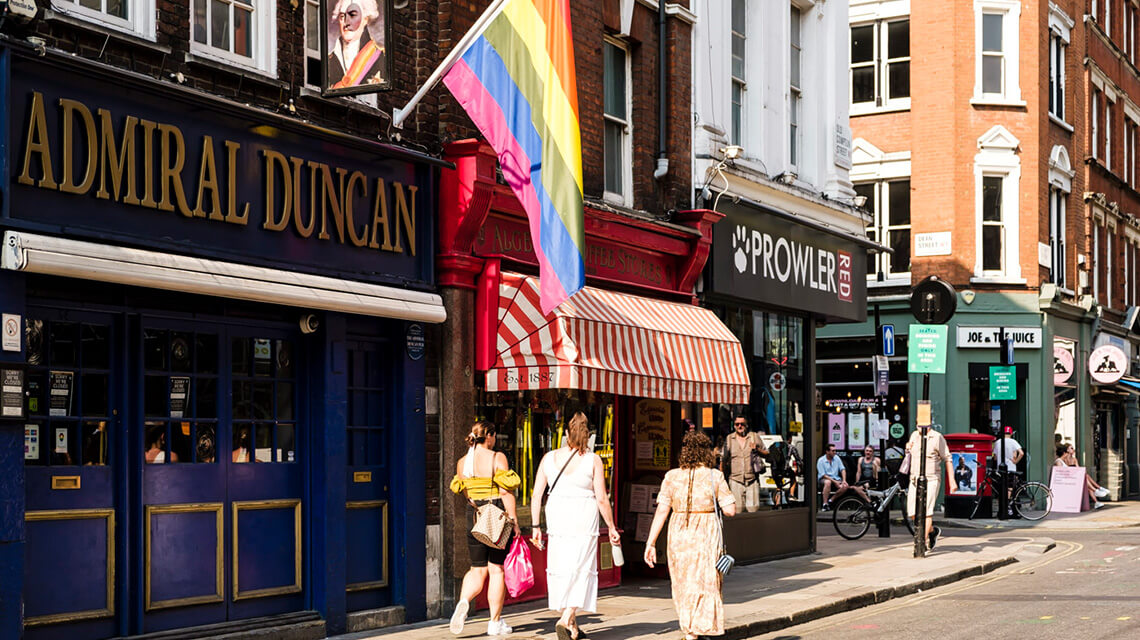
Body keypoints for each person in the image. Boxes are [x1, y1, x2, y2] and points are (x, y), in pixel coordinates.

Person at [529, 413, 620, 640]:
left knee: (563, 565)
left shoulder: (549, 458)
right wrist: (611, 526)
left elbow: (536, 494)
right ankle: (566, 617)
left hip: (557, 515)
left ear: (567, 434)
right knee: (582, 566)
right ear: (588, 436)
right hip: (582, 515)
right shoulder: (592, 460)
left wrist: (535, 525)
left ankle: (573, 627)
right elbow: (601, 498)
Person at [643, 431, 736, 640]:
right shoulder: (715, 475)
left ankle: (689, 629)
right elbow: (730, 510)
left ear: (684, 452)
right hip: (706, 534)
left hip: (679, 533)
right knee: (705, 582)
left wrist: (650, 542)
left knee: (683, 582)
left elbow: (661, 511)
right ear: (706, 452)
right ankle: (699, 628)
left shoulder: (671, 476)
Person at [449, 422, 521, 637]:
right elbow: (506, 492)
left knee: (476, 568)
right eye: (494, 435)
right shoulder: (496, 457)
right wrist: (514, 520)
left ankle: (463, 602)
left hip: (474, 515)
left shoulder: (463, 462)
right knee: (496, 569)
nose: (495, 440)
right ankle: (494, 623)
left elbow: (464, 493)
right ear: (488, 436)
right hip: (495, 514)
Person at [905, 425, 952, 550]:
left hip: (932, 478)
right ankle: (932, 532)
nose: (919, 426)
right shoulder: (914, 435)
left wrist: (952, 481)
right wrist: (908, 447)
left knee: (927, 512)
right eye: (918, 424)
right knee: (913, 513)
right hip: (914, 478)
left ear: (929, 423)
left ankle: (921, 544)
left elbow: (947, 458)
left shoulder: (937, 437)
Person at [327, 0, 386, 90]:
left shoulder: (380, 57)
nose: (346, 23)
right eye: (342, 16)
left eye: (352, 15)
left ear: (365, 19)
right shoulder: (329, 59)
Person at [721, 414, 768, 512]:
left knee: (753, 511)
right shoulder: (729, 439)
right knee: (737, 512)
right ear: (734, 426)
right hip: (735, 480)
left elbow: (767, 453)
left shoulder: (754, 436)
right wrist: (721, 479)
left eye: (742, 424)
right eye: (737, 424)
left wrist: (757, 449)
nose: (739, 426)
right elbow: (723, 459)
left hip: (752, 480)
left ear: (746, 425)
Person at [1055, 443, 1109, 509]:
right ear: (1065, 452)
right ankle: (1097, 490)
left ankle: (1097, 494)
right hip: (1067, 481)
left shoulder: (1072, 459)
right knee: (1085, 477)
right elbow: (1061, 473)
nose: (1072, 450)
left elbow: (1077, 469)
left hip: (1071, 478)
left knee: (1085, 477)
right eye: (1068, 452)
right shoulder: (1060, 461)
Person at [816, 443, 850, 509]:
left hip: (836, 478)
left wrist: (844, 480)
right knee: (828, 482)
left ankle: (831, 500)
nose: (835, 452)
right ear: (827, 451)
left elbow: (842, 469)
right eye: (833, 451)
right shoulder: (821, 460)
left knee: (845, 486)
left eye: (835, 450)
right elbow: (823, 475)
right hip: (824, 479)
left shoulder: (837, 458)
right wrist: (835, 482)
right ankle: (825, 504)